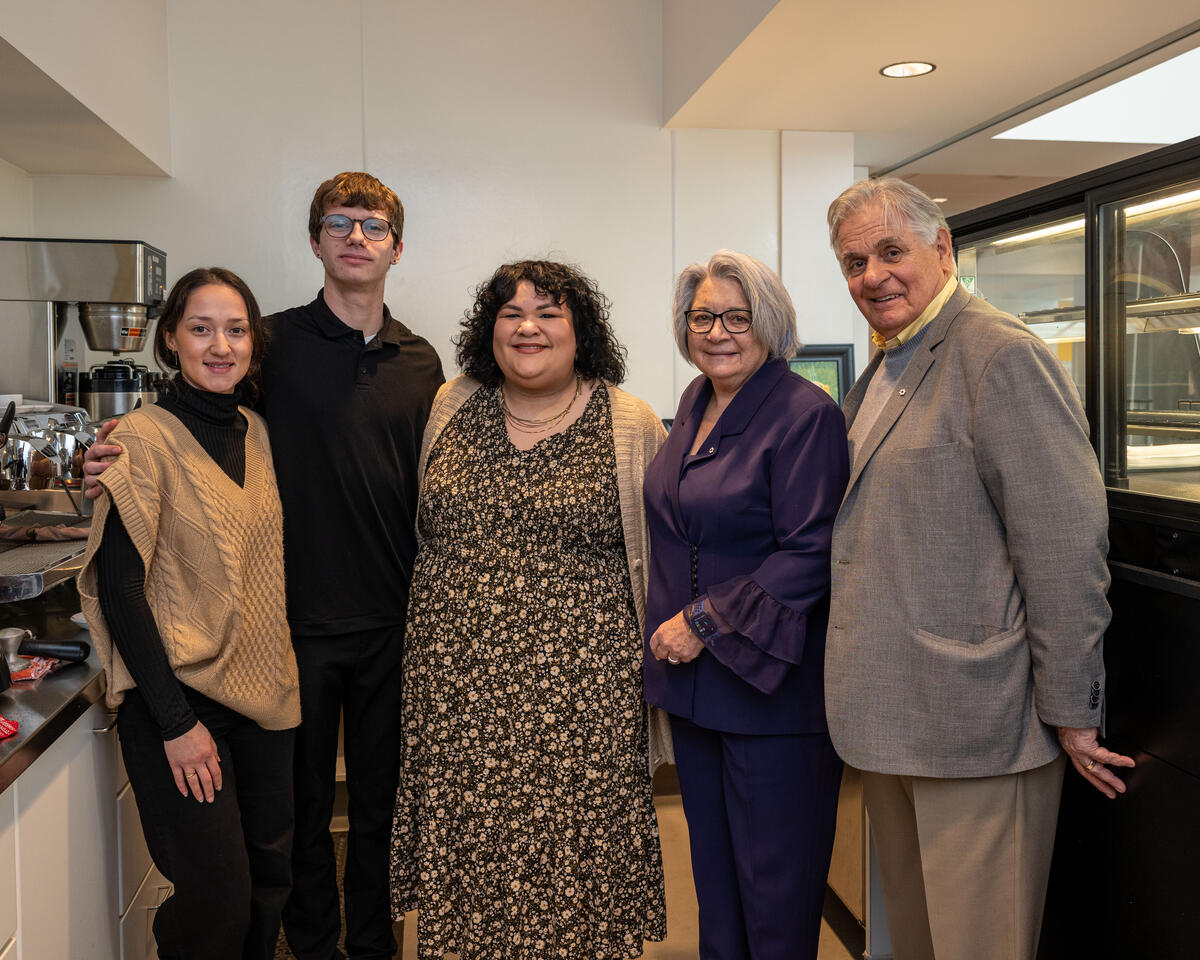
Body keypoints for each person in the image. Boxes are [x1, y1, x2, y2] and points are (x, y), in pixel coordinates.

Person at [85, 172, 444, 960]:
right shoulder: (269, 346)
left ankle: (373, 946)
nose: (357, 237)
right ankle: (314, 948)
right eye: (339, 223)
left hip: (394, 623)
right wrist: (107, 456)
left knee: (383, 807)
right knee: (303, 819)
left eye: (373, 225)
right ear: (315, 239)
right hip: (290, 629)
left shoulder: (422, 363)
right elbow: (192, 421)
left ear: (397, 246)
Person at [823, 177, 1136, 960]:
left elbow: (1064, 545)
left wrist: (1073, 709)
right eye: (854, 262)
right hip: (895, 722)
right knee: (922, 944)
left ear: (942, 248)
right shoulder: (887, 366)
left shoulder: (999, 355)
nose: (872, 276)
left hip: (979, 725)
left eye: (890, 251)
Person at [389, 260, 669, 960]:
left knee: (579, 867)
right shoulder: (453, 403)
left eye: (548, 312)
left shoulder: (627, 419)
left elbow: (661, 556)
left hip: (582, 703)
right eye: (511, 313)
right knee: (475, 865)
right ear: (491, 330)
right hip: (458, 697)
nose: (528, 326)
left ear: (581, 330)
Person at [78, 267, 300, 960]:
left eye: (236, 330)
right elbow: (121, 588)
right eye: (200, 328)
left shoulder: (259, 432)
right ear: (170, 340)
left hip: (266, 701)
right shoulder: (140, 441)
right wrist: (177, 724)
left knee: (269, 888)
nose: (220, 345)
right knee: (216, 904)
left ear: (254, 347)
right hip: (181, 707)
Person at [643, 250, 849, 960]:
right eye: (703, 316)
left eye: (738, 316)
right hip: (699, 695)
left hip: (772, 694)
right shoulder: (697, 403)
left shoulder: (803, 414)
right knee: (719, 887)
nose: (719, 332)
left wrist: (704, 620)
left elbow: (812, 550)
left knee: (775, 895)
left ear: (770, 324)